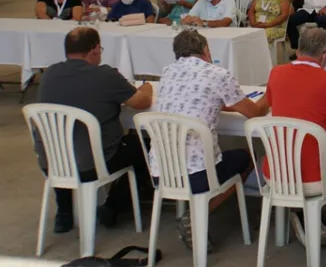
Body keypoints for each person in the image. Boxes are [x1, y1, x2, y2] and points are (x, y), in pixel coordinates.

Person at [150, 30, 267, 250]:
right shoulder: (218, 74)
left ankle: (192, 213)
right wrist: (269, 96)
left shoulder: (167, 71)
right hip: (198, 175)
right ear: (205, 50)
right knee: (247, 156)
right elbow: (254, 113)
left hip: (160, 172)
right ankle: (196, 214)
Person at [33, 27, 154, 233]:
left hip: (51, 161)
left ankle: (64, 213)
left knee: (63, 146)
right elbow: (141, 102)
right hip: (92, 163)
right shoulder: (105, 75)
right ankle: (113, 206)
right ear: (95, 49)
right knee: (145, 146)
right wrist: (147, 87)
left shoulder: (49, 74)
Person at [262, 26, 326, 245]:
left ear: (298, 50)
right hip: (316, 178)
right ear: (325, 55)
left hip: (276, 174)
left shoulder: (276, 73)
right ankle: (311, 213)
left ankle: (302, 212)